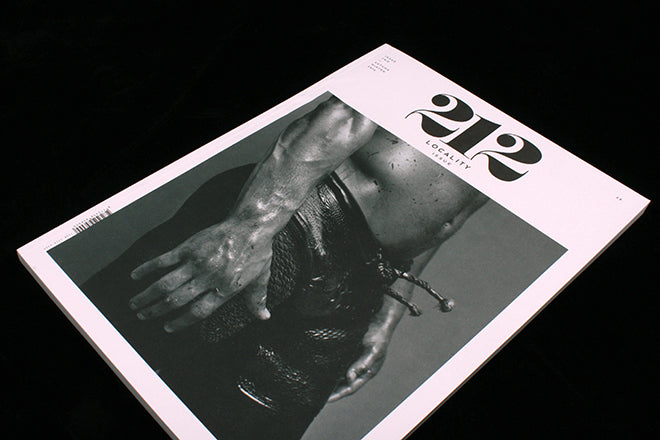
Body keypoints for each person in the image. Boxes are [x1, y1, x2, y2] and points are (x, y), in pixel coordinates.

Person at [82, 96, 487, 439]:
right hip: (296, 219)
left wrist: (388, 311)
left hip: (365, 273)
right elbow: (348, 110)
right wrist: (250, 226)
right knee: (113, 357)